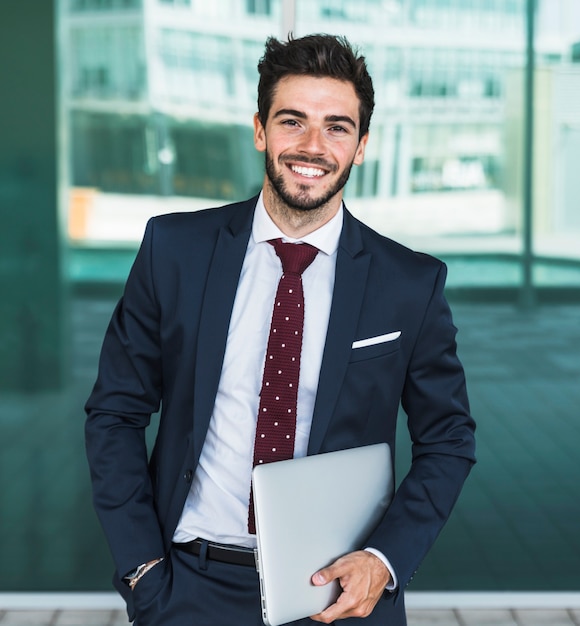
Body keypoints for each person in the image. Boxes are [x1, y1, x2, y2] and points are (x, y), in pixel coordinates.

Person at [85, 33, 476, 626]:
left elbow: (447, 438)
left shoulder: (410, 284)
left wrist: (383, 559)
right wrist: (142, 569)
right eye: (293, 121)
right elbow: (115, 412)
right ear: (260, 130)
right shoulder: (174, 251)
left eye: (338, 127)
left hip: (340, 598)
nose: (313, 147)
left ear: (362, 145)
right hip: (189, 586)